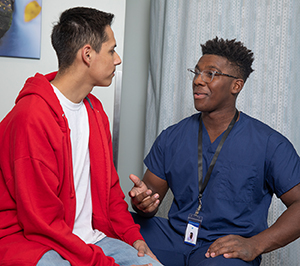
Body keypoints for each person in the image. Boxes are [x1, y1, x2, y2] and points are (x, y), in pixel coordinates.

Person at [0, 7, 162, 266]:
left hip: (90, 239)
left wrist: (133, 237)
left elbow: (110, 192)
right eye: (111, 50)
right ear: (87, 54)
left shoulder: (95, 111)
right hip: (33, 241)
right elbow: (41, 222)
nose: (117, 59)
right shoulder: (31, 117)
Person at [129, 37, 300, 266]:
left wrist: (255, 244)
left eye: (210, 74)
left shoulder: (270, 144)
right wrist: (143, 202)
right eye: (197, 72)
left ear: (236, 85)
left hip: (223, 250)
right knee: (108, 227)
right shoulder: (172, 137)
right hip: (173, 237)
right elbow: (149, 202)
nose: (198, 80)